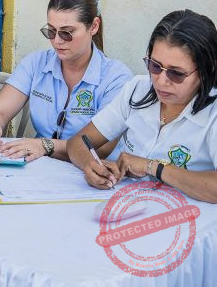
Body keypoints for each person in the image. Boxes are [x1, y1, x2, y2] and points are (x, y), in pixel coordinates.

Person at [68, 10, 217, 203]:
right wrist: (91, 166)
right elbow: (78, 142)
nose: (161, 81)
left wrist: (153, 167)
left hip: (185, 217)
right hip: (124, 206)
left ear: (207, 70)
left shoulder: (213, 113)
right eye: (155, 66)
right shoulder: (137, 89)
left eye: (176, 73)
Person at [0, 0, 132, 161]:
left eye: (67, 33)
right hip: (41, 166)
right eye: (51, 31)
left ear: (94, 26)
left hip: (90, 171)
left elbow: (102, 148)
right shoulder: (36, 63)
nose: (57, 41)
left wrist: (45, 145)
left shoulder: (116, 78)